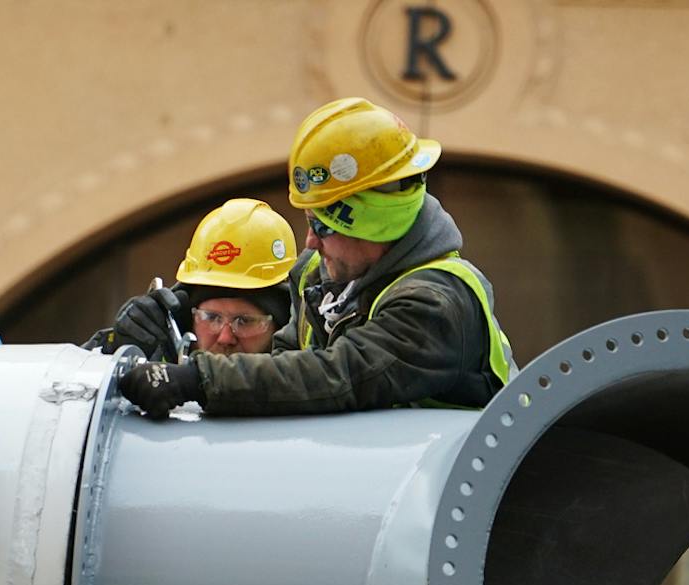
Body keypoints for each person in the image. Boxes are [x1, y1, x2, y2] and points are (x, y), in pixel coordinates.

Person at [118, 97, 515, 420]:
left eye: (324, 227)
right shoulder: (320, 273)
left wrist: (195, 379)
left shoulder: (436, 303)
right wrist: (169, 324)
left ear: (375, 225)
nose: (309, 242)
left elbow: (335, 376)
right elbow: (277, 354)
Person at [89, 198, 300, 360]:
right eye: (211, 318)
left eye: (244, 321)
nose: (225, 338)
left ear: (282, 326)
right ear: (189, 318)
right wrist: (116, 347)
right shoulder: (163, 356)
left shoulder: (307, 378)